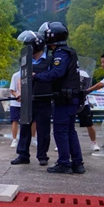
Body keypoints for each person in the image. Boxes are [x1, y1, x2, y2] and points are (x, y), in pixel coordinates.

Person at [33, 21, 84, 174]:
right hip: (71, 98)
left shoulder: (61, 53)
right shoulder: (68, 52)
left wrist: (37, 76)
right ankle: (77, 163)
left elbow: (57, 73)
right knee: (69, 131)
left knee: (60, 131)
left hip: (64, 99)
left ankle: (64, 163)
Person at [11, 31, 52, 166]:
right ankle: (23, 155)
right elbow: (20, 78)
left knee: (43, 130)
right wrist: (19, 93)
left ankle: (42, 156)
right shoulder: (25, 59)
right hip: (28, 100)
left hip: (44, 99)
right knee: (24, 128)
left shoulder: (50, 60)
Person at [9, 70, 21, 148]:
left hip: (27, 103)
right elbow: (12, 89)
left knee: (33, 121)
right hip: (15, 103)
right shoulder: (15, 75)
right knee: (14, 121)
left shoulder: (33, 74)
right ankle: (14, 139)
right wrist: (17, 95)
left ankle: (33, 138)